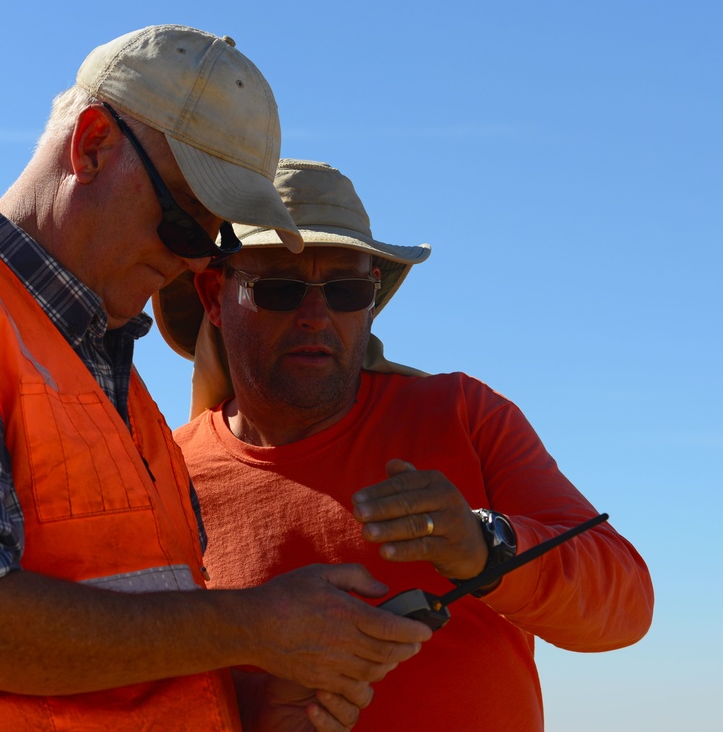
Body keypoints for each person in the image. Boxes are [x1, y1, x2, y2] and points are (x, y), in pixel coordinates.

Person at [0, 31, 432, 732]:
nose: (190, 262)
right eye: (182, 222)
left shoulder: (116, 387)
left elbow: (136, 655)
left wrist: (248, 710)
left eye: (213, 241)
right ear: (91, 144)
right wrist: (255, 626)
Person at [154, 158, 655, 732]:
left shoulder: (465, 415)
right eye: (280, 289)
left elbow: (626, 606)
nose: (317, 317)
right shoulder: (163, 474)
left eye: (344, 290)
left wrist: (487, 549)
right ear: (214, 296)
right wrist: (249, 713)